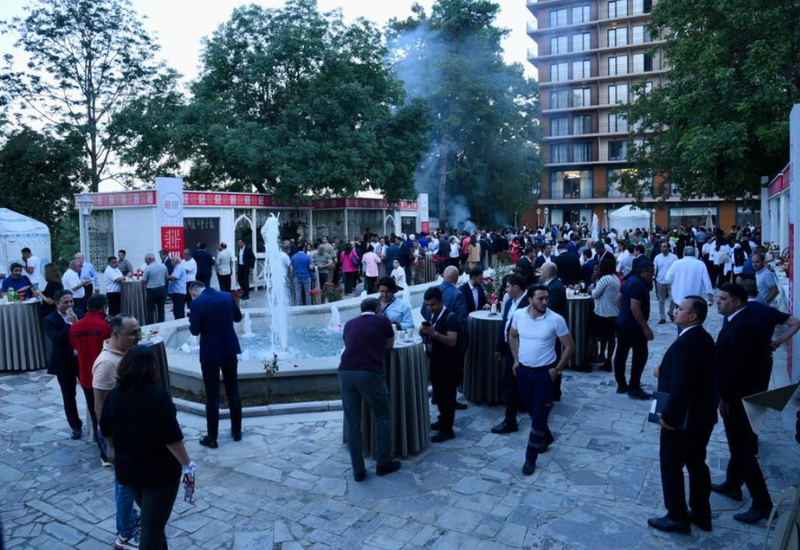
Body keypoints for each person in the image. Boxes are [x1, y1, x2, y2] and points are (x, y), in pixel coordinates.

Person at [100, 345, 195, 550]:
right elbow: (172, 437)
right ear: (149, 369)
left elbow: (104, 426)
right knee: (151, 528)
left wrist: (111, 447)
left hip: (129, 472)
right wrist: (187, 464)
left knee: (154, 522)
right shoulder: (158, 397)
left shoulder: (114, 395)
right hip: (158, 475)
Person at [647, 297, 717, 534]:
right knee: (696, 463)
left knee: (671, 463)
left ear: (692, 316)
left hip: (684, 419)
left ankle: (676, 515)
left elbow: (682, 386)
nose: (676, 311)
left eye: (680, 309)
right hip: (702, 415)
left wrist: (669, 418)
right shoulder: (702, 338)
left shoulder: (687, 343)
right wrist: (665, 367)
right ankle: (701, 512)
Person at [712, 283, 773, 524]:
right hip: (740, 395)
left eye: (723, 298)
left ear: (737, 302)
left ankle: (762, 503)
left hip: (740, 398)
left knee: (743, 449)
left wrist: (726, 398)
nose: (718, 301)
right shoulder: (737, 321)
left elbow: (738, 368)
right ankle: (733, 484)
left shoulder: (743, 326)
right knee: (737, 444)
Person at [509, 285, 574, 475]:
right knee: (532, 410)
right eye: (540, 298)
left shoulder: (556, 319)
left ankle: (530, 458)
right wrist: (516, 360)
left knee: (539, 416)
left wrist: (557, 369)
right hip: (523, 372)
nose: (545, 302)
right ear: (530, 300)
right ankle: (546, 437)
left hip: (544, 374)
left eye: (546, 298)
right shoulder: (519, 315)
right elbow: (512, 335)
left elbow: (570, 346)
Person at [92, 314, 142, 550]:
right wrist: (110, 444)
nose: (138, 337)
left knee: (129, 483)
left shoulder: (124, 355)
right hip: (117, 437)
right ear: (115, 334)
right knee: (124, 486)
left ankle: (129, 520)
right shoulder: (107, 364)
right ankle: (125, 534)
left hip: (129, 434)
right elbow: (100, 408)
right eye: (132, 333)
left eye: (138, 331)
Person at [338, 297, 402, 481]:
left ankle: (358, 470)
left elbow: (347, 345)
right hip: (369, 373)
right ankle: (383, 463)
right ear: (377, 310)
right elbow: (389, 345)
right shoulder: (383, 321)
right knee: (383, 416)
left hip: (345, 372)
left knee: (353, 422)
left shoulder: (350, 324)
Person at [189, 282, 243, 448]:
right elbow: (238, 318)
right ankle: (236, 432)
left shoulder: (197, 303)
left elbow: (194, 330)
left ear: (193, 293)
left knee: (212, 396)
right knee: (233, 390)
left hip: (210, 353)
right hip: (229, 349)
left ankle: (212, 438)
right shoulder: (227, 297)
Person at [69, 294, 111, 465]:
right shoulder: (105, 326)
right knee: (111, 412)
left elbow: (74, 347)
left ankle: (104, 453)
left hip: (86, 376)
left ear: (87, 307)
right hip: (106, 376)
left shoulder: (75, 327)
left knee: (96, 414)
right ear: (103, 308)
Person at [740, 278, 800, 392]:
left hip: (740, 358)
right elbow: (796, 322)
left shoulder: (736, 311)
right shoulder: (769, 311)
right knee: (759, 393)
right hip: (763, 358)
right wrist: (778, 342)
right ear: (757, 292)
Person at [420, 287, 462, 442]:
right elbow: (427, 333)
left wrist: (433, 333)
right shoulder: (432, 315)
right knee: (439, 393)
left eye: (433, 304)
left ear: (441, 301)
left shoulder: (451, 318)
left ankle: (447, 429)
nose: (430, 308)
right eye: (427, 305)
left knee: (447, 396)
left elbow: (452, 341)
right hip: (436, 360)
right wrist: (423, 331)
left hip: (449, 363)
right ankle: (442, 420)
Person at [491, 274, 529, 435]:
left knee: (513, 384)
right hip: (509, 349)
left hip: (523, 350)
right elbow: (505, 325)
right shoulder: (509, 303)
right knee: (510, 383)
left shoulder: (529, 303)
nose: (505, 290)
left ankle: (510, 420)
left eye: (507, 287)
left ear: (516, 287)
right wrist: (499, 346)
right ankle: (513, 415)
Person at [43, 290, 83, 439]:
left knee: (90, 391)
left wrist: (78, 323)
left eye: (71, 301)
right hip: (64, 362)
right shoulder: (50, 319)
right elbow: (56, 338)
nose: (70, 304)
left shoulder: (79, 312)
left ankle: (96, 421)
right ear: (57, 303)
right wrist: (69, 324)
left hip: (81, 359)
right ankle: (75, 426)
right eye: (66, 302)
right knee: (69, 395)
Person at [614, 261, 655, 399]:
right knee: (640, 355)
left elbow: (618, 299)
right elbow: (635, 307)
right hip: (634, 327)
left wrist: (623, 314)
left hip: (622, 323)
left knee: (621, 353)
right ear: (645, 272)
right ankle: (634, 386)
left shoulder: (629, 280)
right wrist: (645, 328)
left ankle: (621, 384)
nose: (653, 276)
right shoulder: (638, 285)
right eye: (651, 273)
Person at [591, 257, 620, 372]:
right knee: (610, 337)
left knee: (603, 336)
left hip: (603, 312)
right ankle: (606, 358)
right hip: (613, 311)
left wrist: (591, 287)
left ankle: (604, 358)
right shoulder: (615, 278)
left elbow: (595, 294)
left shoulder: (604, 279)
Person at [654, 241, 679, 324]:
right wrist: (653, 277)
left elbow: (677, 269)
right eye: (661, 246)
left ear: (668, 248)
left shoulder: (674, 257)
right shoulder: (657, 257)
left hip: (671, 281)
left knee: (673, 298)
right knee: (661, 300)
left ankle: (670, 312)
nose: (662, 248)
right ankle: (662, 317)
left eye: (664, 246)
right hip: (660, 280)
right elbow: (655, 269)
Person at [142, 253, 168, 325]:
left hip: (152, 290)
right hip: (162, 289)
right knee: (161, 308)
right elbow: (166, 277)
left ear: (149, 259)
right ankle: (161, 324)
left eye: (145, 260)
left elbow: (143, 281)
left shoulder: (148, 268)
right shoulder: (163, 266)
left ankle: (151, 325)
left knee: (150, 309)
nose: (145, 261)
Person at [167, 256, 187, 320]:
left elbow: (174, 278)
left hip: (178, 291)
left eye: (172, 260)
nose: (171, 262)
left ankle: (179, 321)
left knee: (178, 309)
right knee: (177, 308)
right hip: (177, 291)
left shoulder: (179, 268)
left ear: (176, 261)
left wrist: (166, 277)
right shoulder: (177, 267)